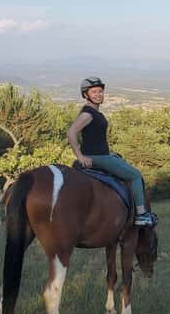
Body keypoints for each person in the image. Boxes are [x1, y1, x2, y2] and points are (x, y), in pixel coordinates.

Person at [67, 76, 157, 227]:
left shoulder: (95, 113)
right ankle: (141, 215)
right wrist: (80, 156)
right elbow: (71, 133)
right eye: (94, 92)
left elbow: (96, 139)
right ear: (85, 95)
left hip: (103, 155)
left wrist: (109, 154)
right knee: (135, 175)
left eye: (100, 91)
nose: (98, 94)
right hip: (97, 158)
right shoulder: (88, 114)